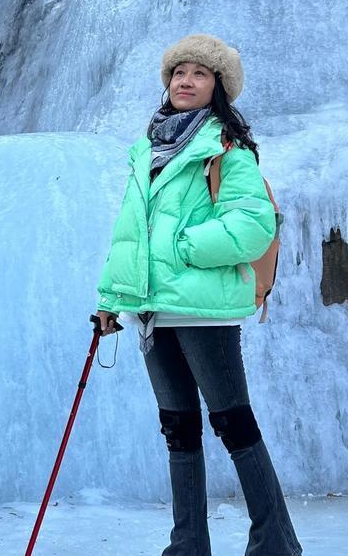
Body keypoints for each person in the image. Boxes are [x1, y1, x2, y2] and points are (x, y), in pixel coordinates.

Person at [95, 33, 302, 556]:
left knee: (234, 423)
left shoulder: (226, 150)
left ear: (218, 88)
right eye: (178, 72)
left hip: (203, 310)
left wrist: (186, 247)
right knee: (179, 431)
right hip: (151, 311)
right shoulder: (149, 151)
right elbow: (130, 235)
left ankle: (276, 545)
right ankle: (187, 547)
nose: (186, 81)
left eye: (200, 74)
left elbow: (255, 224)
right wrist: (108, 298)